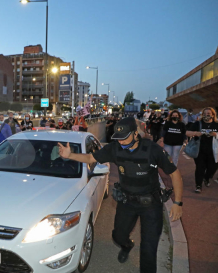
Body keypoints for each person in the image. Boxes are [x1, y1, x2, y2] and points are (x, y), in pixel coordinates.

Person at [58, 117, 183, 273]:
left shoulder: (152, 149)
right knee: (118, 236)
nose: (121, 142)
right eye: (118, 138)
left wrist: (177, 203)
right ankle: (127, 245)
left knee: (149, 249)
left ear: (135, 134)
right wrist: (70, 155)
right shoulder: (114, 148)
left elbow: (175, 173)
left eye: (124, 138)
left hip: (151, 204)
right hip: (127, 202)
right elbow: (91, 158)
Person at [186, 107, 218, 193]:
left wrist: (216, 134)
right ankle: (198, 186)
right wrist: (196, 133)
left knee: (213, 167)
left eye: (208, 113)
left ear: (213, 115)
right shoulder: (198, 123)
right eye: (205, 113)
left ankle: (207, 178)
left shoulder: (216, 124)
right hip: (200, 150)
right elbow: (187, 133)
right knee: (200, 168)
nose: (206, 115)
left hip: (214, 151)